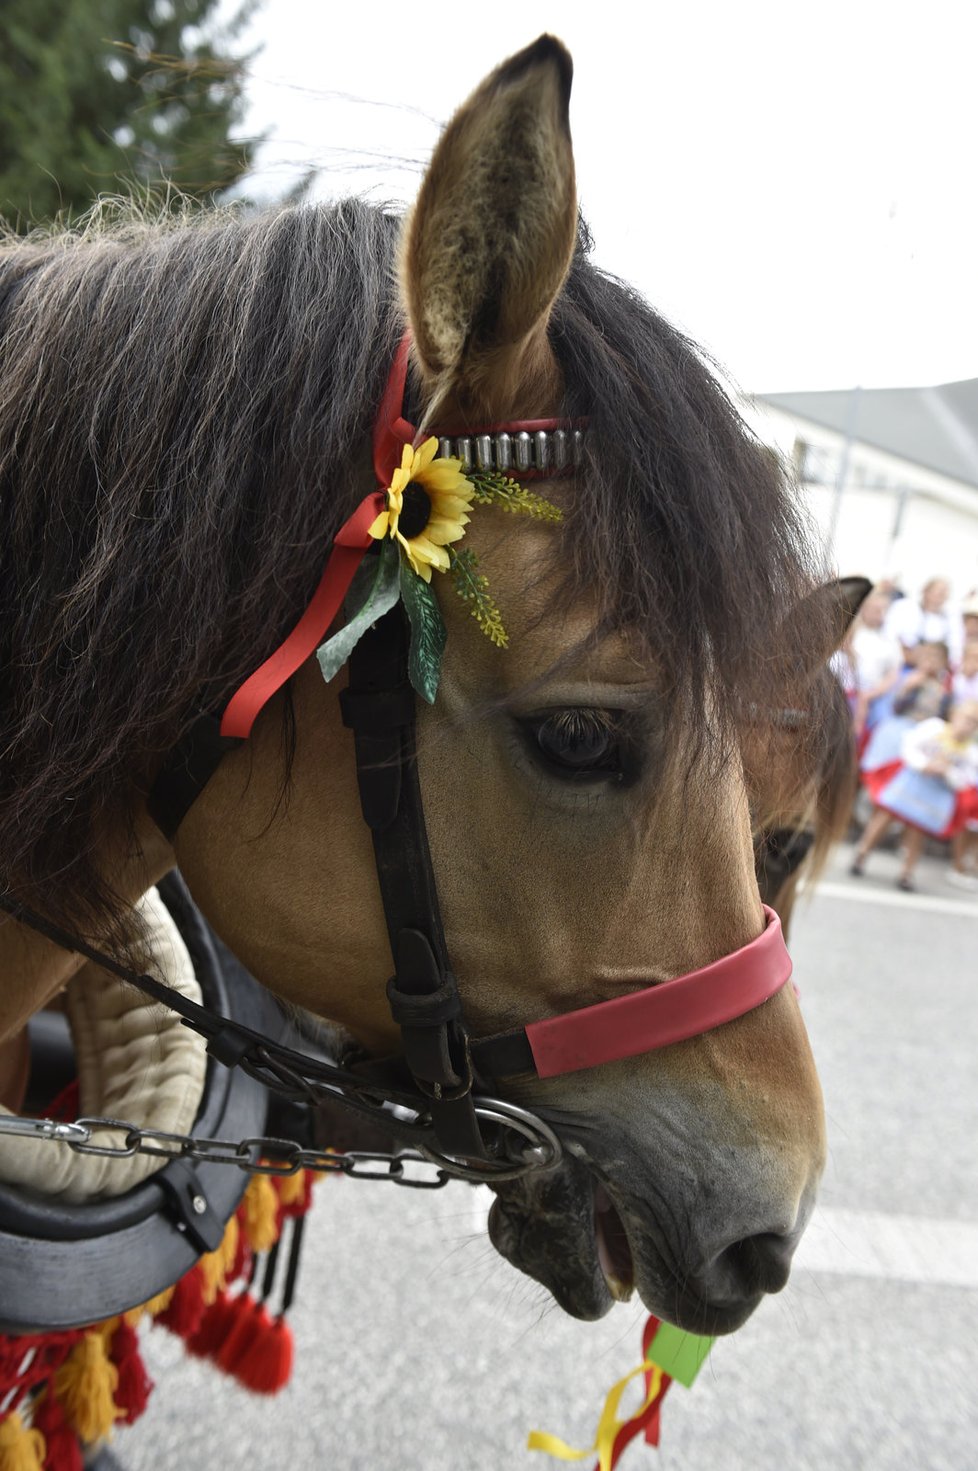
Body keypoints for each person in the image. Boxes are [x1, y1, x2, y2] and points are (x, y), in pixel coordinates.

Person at [851, 699, 978, 890]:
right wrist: (924, 764)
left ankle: (907, 872)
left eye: (974, 723)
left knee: (918, 829)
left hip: (935, 792)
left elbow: (966, 780)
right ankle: (862, 853)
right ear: (955, 715)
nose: (968, 726)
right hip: (913, 780)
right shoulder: (934, 728)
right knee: (885, 816)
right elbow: (909, 745)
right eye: (967, 719)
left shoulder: (970, 752)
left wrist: (947, 772)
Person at [883, 577, 956, 661]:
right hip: (899, 659)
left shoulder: (949, 619)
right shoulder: (903, 607)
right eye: (939, 592)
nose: (941, 596)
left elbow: (953, 648)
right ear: (925, 590)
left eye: (944, 593)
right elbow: (889, 635)